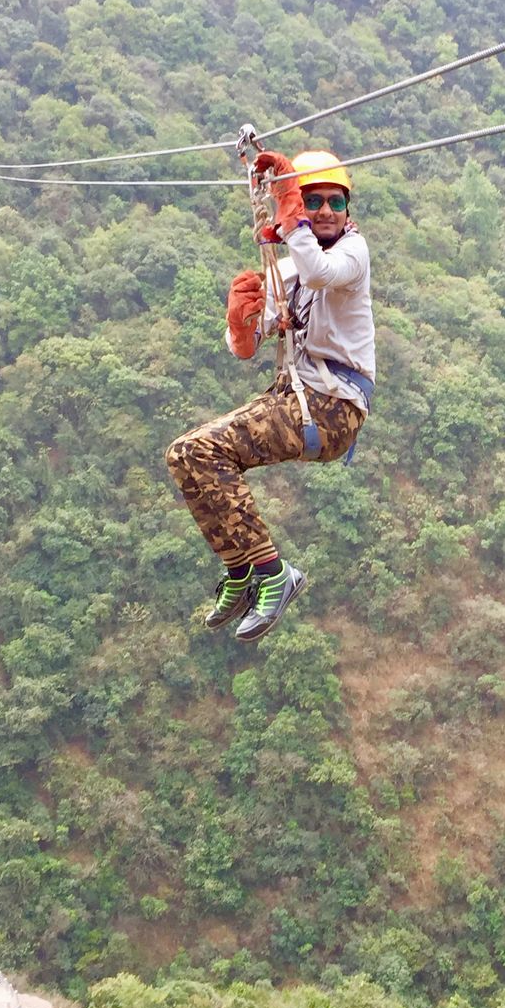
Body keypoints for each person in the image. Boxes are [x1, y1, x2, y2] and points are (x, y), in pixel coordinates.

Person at [165, 149, 374, 642]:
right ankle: (240, 571)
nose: (324, 211)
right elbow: (245, 345)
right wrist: (239, 321)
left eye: (334, 203)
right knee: (182, 455)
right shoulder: (289, 269)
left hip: (332, 408)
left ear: (348, 212)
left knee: (206, 450)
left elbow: (320, 270)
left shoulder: (351, 255)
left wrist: (290, 210)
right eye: (312, 200)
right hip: (297, 399)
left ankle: (275, 573)